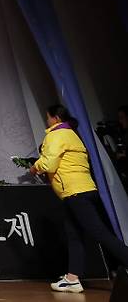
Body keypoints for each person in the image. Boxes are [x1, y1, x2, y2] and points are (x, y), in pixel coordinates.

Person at [30, 105, 128, 293]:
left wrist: (35, 167)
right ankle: (73, 278)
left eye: (48, 117)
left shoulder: (55, 135)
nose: (47, 121)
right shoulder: (72, 134)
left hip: (75, 192)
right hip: (82, 190)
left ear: (56, 118)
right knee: (73, 235)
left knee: (99, 232)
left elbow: (49, 163)